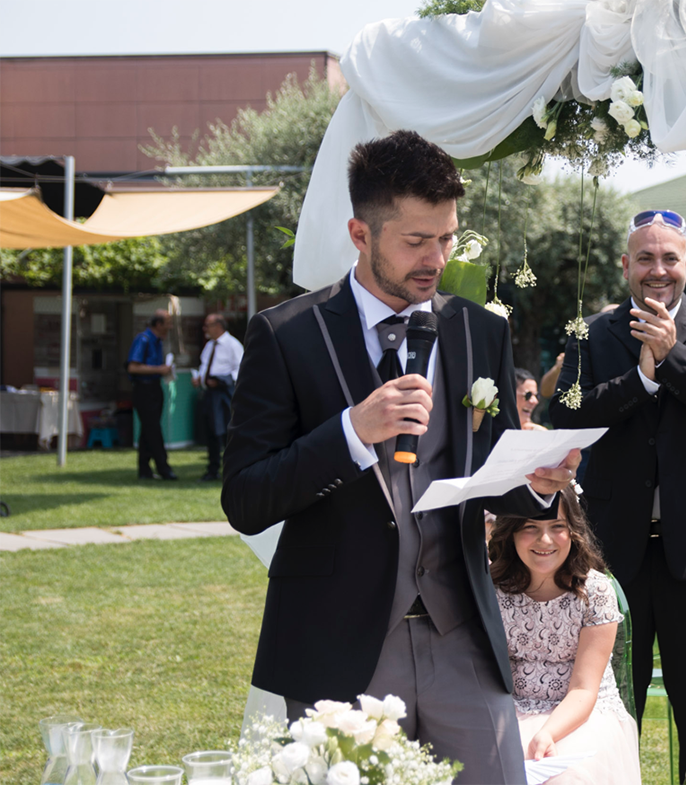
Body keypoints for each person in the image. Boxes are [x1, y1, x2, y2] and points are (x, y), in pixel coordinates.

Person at [221, 130, 580, 785]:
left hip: (462, 634)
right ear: (361, 234)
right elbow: (245, 498)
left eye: (446, 237)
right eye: (416, 241)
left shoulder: (481, 330)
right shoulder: (285, 335)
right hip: (338, 645)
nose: (437, 258)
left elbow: (493, 473)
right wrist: (350, 433)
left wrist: (538, 483)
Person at [548, 208, 686, 782]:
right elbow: (564, 413)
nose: (657, 269)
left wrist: (673, 359)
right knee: (611, 706)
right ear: (625, 267)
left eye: (669, 258)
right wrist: (639, 382)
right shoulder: (590, 334)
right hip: (613, 554)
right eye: (645, 258)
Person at [489, 488, 641, 784]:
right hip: (514, 708)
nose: (544, 540)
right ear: (511, 532)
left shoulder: (593, 592)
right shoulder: (494, 590)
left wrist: (547, 733)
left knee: (564, 776)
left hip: (584, 714)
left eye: (557, 527)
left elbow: (584, 690)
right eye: (530, 527)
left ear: (573, 531)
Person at [126, 309, 176, 480]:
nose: (170, 326)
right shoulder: (144, 339)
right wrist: (159, 369)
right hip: (143, 388)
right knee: (153, 429)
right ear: (159, 324)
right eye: (168, 322)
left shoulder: (158, 341)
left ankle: (144, 469)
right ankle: (164, 468)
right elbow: (133, 367)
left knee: (148, 429)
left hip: (155, 386)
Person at [193, 313, 244, 481]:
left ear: (218, 326)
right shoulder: (209, 345)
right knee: (210, 431)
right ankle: (212, 469)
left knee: (225, 431)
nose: (205, 329)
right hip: (209, 393)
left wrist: (222, 381)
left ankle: (233, 468)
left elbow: (241, 369)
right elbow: (205, 365)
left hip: (224, 393)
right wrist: (200, 378)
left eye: (208, 325)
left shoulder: (232, 344)